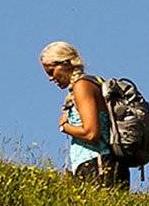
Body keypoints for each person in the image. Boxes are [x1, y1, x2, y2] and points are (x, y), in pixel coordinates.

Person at [41, 41, 129, 190]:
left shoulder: (82, 86)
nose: (50, 78)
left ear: (65, 63)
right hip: (109, 165)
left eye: (51, 71)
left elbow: (91, 133)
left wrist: (64, 127)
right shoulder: (93, 83)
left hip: (97, 165)